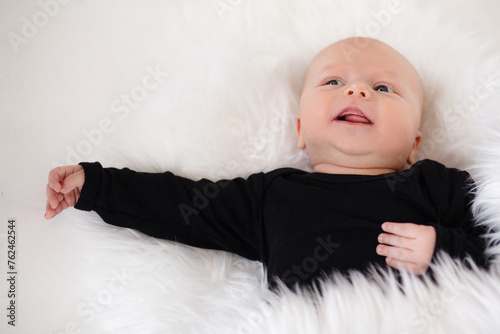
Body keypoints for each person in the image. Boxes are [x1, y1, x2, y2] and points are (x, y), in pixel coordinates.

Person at [44, 37, 488, 290]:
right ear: (301, 131)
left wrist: (444, 250)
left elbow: (493, 246)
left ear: (414, 144)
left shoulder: (436, 185)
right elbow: (184, 203)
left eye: (384, 88)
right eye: (334, 81)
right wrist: (97, 184)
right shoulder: (274, 196)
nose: (357, 91)